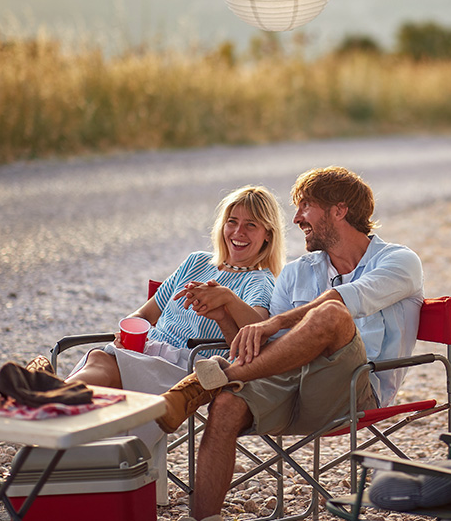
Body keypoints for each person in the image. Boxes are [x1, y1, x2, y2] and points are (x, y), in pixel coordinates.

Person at [156, 166, 424, 521]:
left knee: (331, 315)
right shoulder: (297, 271)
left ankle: (211, 380)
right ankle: (204, 517)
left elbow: (344, 299)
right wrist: (224, 314)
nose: (296, 218)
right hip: (289, 386)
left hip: (355, 391)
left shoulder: (400, 261)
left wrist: (277, 322)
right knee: (226, 405)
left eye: (306, 207)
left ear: (339, 211)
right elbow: (268, 352)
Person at [55, 185, 287, 450]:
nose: (238, 232)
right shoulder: (196, 262)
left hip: (187, 368)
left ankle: (47, 404)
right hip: (147, 350)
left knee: (103, 369)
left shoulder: (260, 281)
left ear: (268, 235)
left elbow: (258, 330)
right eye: (232, 222)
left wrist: (228, 299)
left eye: (251, 225)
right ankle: (59, 415)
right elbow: (146, 313)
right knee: (99, 357)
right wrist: (128, 333)